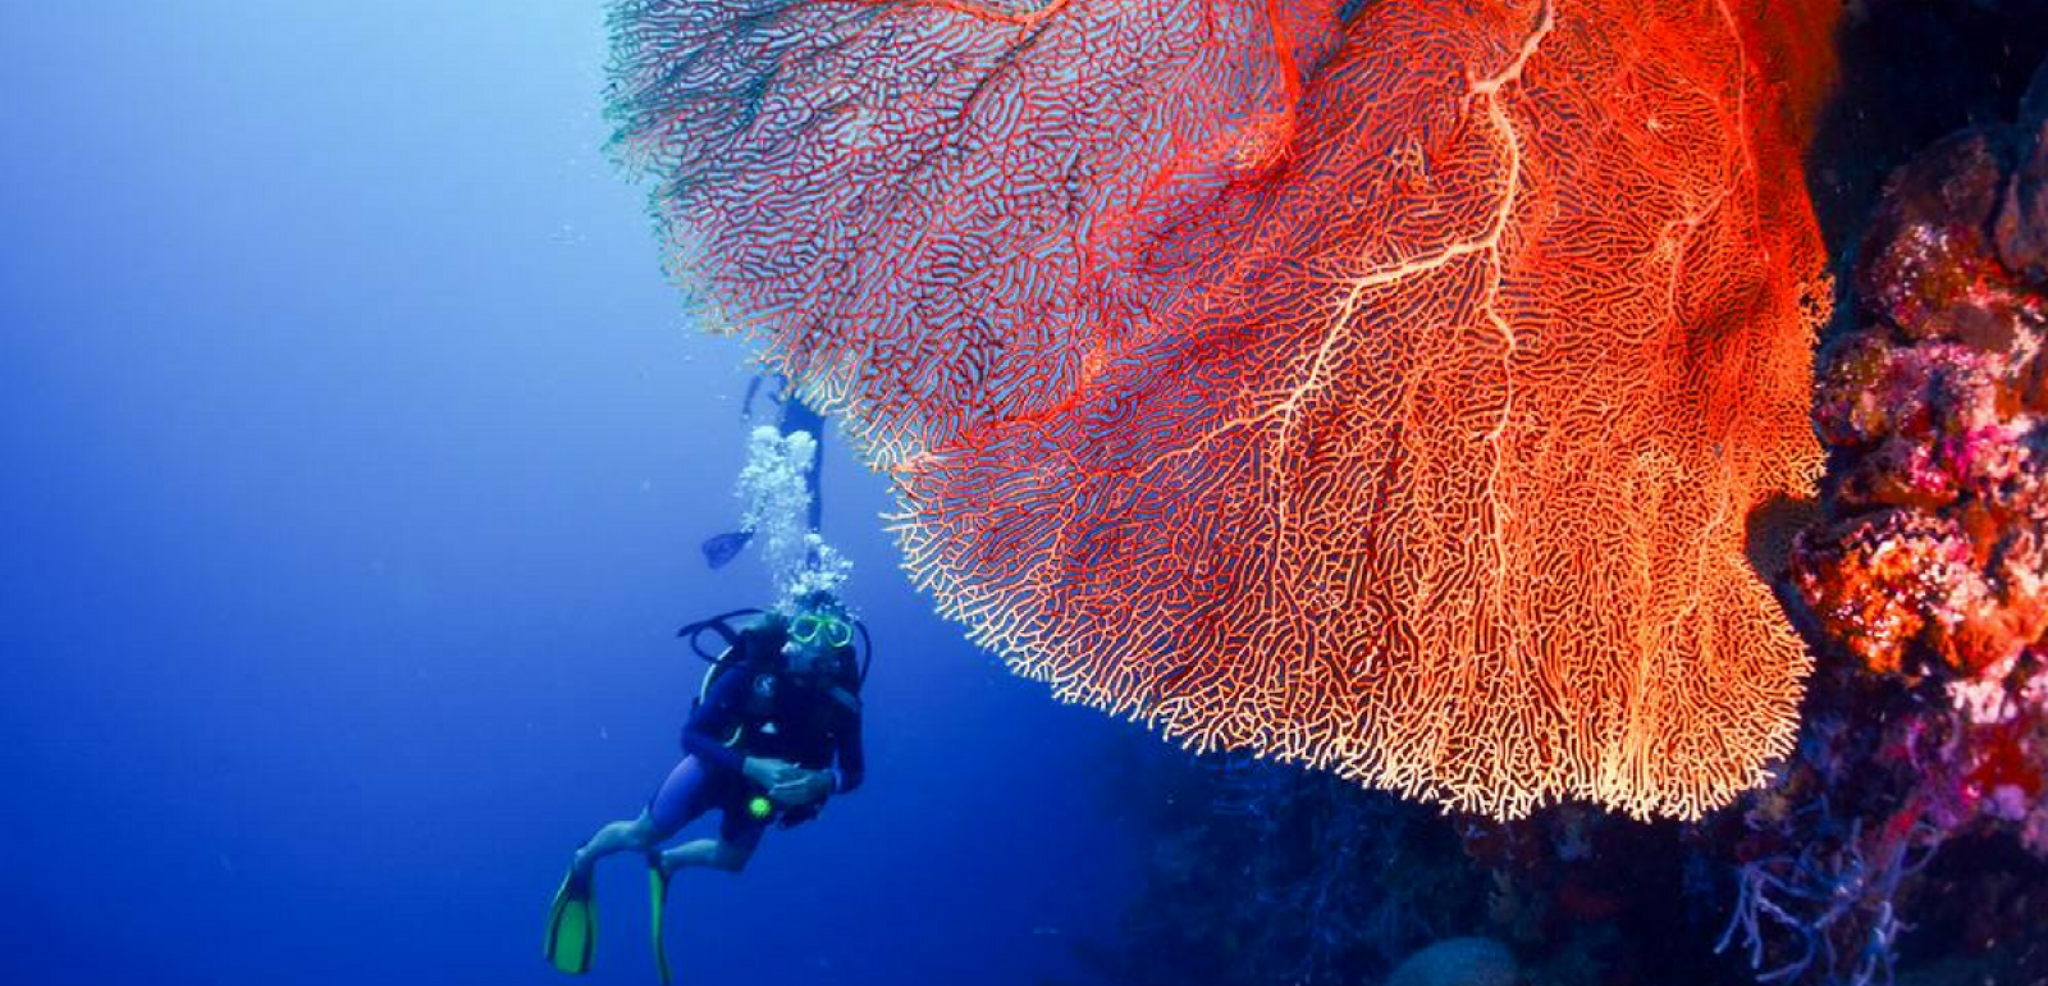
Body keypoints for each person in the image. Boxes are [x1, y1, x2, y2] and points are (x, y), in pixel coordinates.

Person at [545, 590, 868, 981]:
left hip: (761, 796)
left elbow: (853, 773)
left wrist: (821, 782)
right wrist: (753, 765)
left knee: (732, 860)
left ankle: (667, 864)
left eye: (833, 633)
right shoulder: (752, 670)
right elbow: (693, 736)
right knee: (641, 834)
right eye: (805, 628)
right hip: (712, 770)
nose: (816, 645)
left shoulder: (843, 703)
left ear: (844, 643)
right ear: (789, 632)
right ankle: (585, 858)